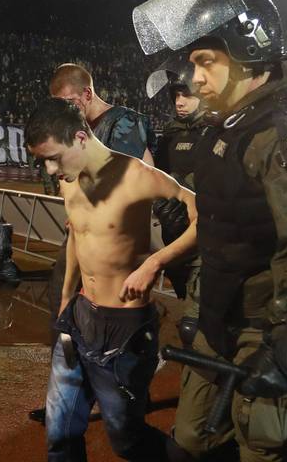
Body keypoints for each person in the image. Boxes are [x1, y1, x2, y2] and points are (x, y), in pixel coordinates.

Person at [133, 0, 287, 460]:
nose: (194, 78)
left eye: (205, 61)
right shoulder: (227, 124)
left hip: (277, 320)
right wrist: (198, 311)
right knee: (193, 439)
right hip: (222, 313)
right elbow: (218, 232)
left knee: (262, 444)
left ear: (249, 53)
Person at [24, 97, 198, 461]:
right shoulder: (69, 181)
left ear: (80, 138)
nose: (51, 169)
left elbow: (203, 215)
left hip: (125, 328)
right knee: (59, 432)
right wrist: (65, 299)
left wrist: (155, 263)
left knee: (126, 438)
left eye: (54, 156)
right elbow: (78, 238)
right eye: (44, 160)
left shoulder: (136, 176)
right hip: (79, 316)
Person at [30, 62, 162, 423]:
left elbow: (115, 182)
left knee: (119, 323)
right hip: (81, 237)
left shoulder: (124, 123)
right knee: (65, 314)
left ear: (87, 94)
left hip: (118, 246)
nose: (65, 111)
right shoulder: (74, 128)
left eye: (70, 102)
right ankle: (66, 397)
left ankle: (130, 398)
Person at [149, 64, 210, 348]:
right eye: (176, 97)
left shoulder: (216, 131)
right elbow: (155, 178)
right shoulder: (170, 136)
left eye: (186, 95)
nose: (180, 102)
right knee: (187, 301)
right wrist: (160, 204)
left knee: (195, 323)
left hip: (204, 238)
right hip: (174, 237)